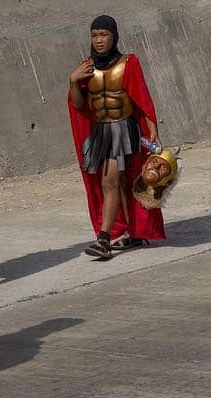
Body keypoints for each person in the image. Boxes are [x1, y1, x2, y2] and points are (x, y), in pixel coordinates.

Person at [68, 15, 164, 260]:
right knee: (119, 184)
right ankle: (129, 231)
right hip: (100, 132)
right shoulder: (86, 67)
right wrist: (72, 81)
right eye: (94, 35)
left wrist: (153, 128)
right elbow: (79, 106)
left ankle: (104, 239)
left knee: (109, 182)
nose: (99, 40)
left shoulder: (128, 63)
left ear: (114, 36)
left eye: (104, 35)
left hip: (124, 130)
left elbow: (141, 96)